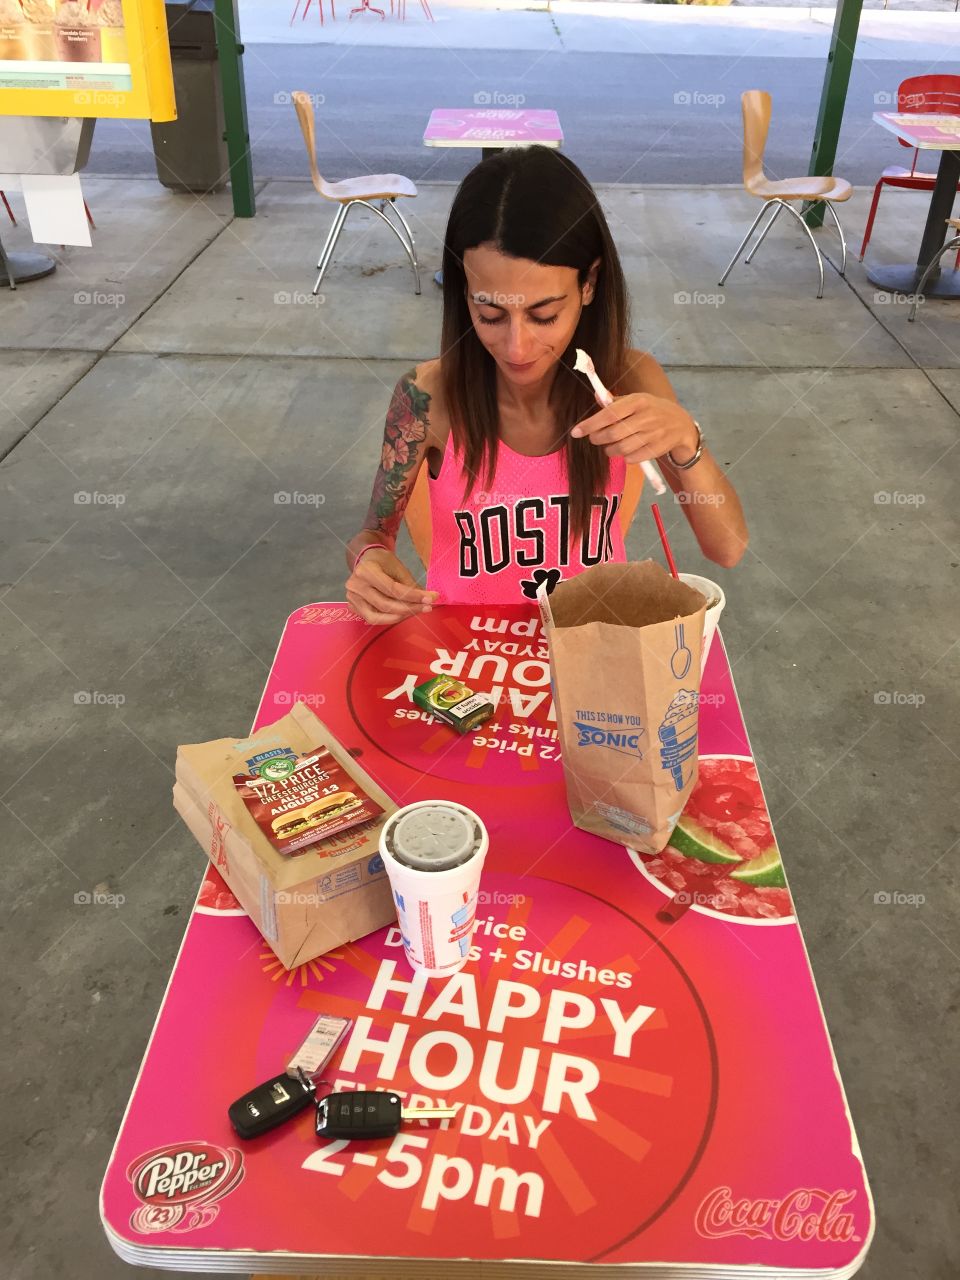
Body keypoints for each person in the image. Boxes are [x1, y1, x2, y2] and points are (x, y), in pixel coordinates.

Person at [345, 145, 747, 624]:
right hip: (463, 663)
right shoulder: (427, 396)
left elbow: (726, 548)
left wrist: (686, 438)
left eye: (544, 315)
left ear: (590, 283)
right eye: (490, 315)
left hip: (596, 655)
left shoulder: (630, 379)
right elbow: (374, 535)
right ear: (463, 291)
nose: (517, 348)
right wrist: (369, 561)